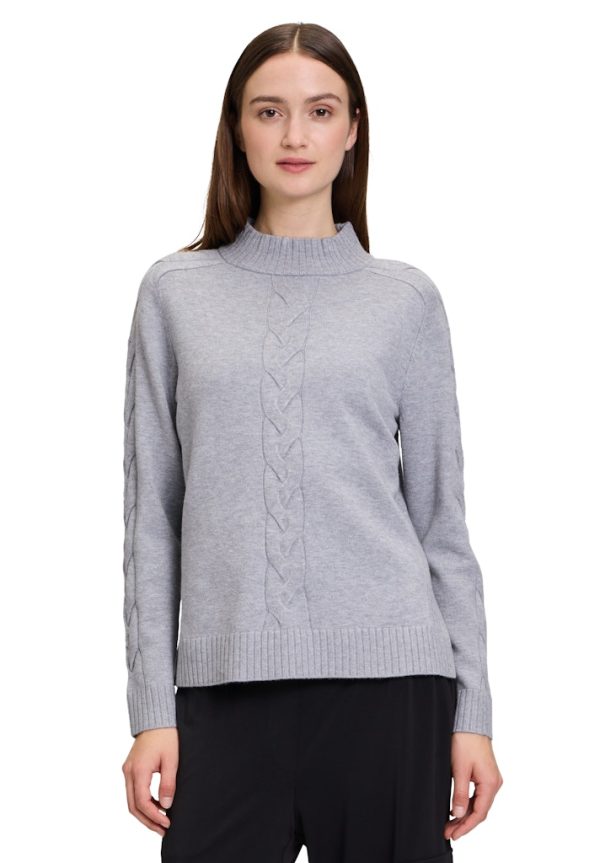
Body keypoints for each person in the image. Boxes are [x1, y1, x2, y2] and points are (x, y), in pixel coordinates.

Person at [121, 21, 503, 863]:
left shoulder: (406, 301)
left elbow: (441, 523)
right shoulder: (174, 293)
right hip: (222, 694)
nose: (295, 135)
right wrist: (151, 707)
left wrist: (472, 714)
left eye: (320, 110)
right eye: (269, 111)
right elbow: (152, 522)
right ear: (237, 128)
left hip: (392, 688)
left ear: (353, 129)